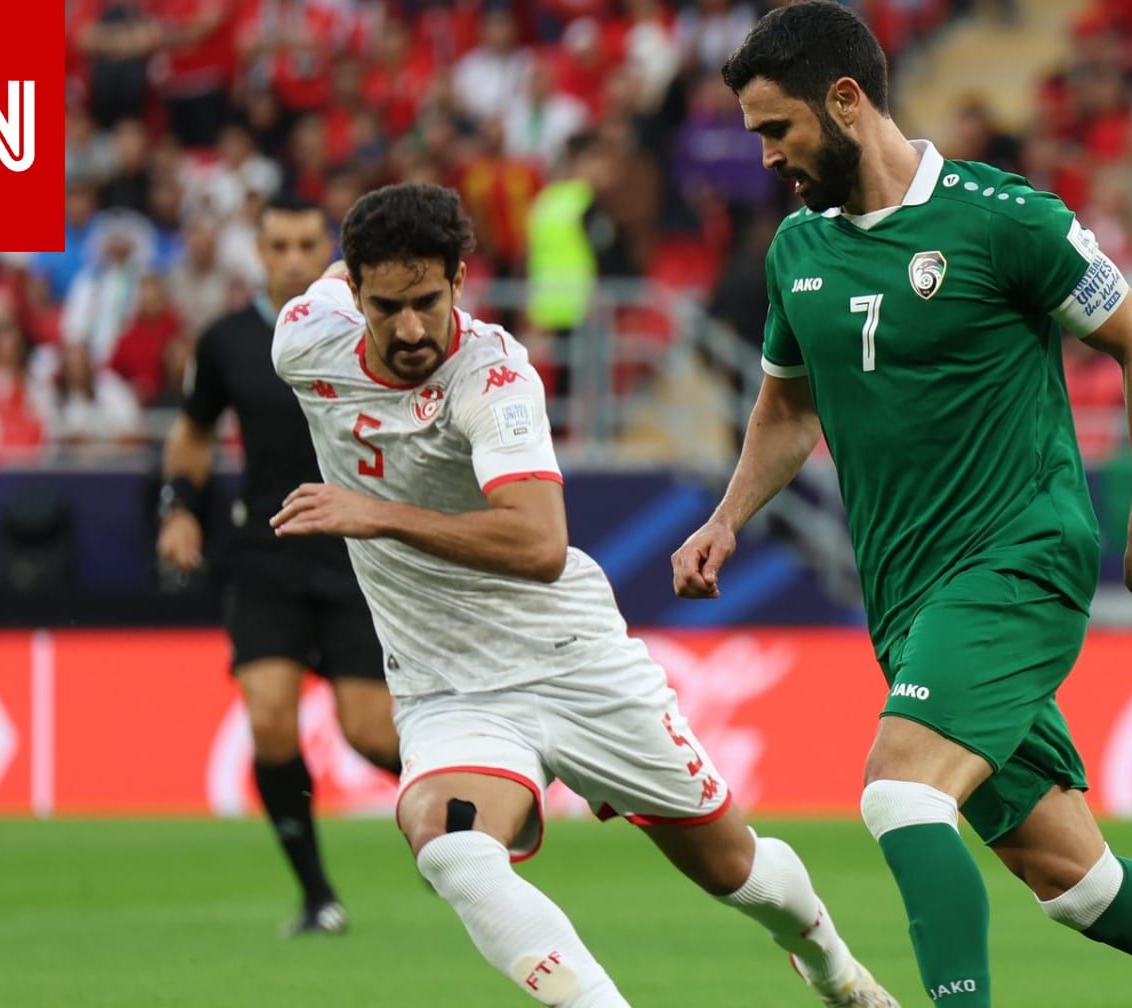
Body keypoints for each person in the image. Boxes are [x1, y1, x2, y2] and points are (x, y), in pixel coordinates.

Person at [672, 5, 1132, 1008]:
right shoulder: (797, 252)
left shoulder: (1003, 218)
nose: (767, 156)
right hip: (909, 602)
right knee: (1078, 883)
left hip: (1018, 561)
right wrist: (727, 517)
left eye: (778, 129)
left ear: (847, 101)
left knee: (901, 791)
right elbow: (787, 409)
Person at [266, 181, 898, 1008]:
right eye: (388, 307)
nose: (412, 328)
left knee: (735, 871)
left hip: (573, 661)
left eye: (428, 302)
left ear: (460, 281)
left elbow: (537, 544)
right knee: (451, 847)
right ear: (352, 292)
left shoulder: (494, 378)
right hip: (448, 685)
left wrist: (375, 513)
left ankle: (833, 966)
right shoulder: (304, 339)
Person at [155, 194, 400, 937]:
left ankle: (462, 814)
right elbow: (192, 433)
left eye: (306, 246)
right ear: (258, 254)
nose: (293, 260)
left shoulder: (369, 328)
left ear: (328, 252)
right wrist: (179, 507)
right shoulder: (226, 340)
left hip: (354, 554)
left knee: (370, 734)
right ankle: (317, 896)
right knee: (268, 722)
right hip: (265, 552)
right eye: (279, 246)